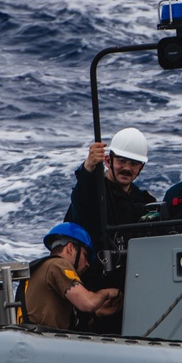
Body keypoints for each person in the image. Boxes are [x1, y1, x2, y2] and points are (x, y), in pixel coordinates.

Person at [63, 127, 155, 333]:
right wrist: (88, 167)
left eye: (133, 163)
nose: (126, 168)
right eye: (121, 161)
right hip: (90, 287)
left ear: (141, 167)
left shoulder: (144, 202)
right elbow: (81, 200)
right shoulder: (95, 193)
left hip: (129, 291)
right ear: (107, 161)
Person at [21, 222, 121, 332]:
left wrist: (98, 313)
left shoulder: (43, 268)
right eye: (85, 255)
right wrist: (108, 292)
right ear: (70, 248)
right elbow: (88, 303)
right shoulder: (59, 264)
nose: (87, 264)